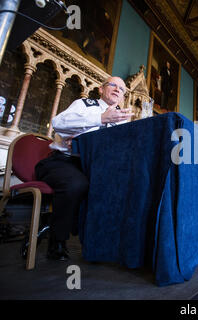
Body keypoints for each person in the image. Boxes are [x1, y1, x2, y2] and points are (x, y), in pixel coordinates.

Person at [35, 77, 133, 261]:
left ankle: (102, 242)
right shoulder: (85, 104)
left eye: (122, 89)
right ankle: (57, 240)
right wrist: (100, 118)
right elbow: (59, 123)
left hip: (94, 167)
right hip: (63, 162)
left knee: (120, 186)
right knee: (76, 184)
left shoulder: (121, 119)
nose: (118, 89)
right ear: (101, 89)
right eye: (113, 85)